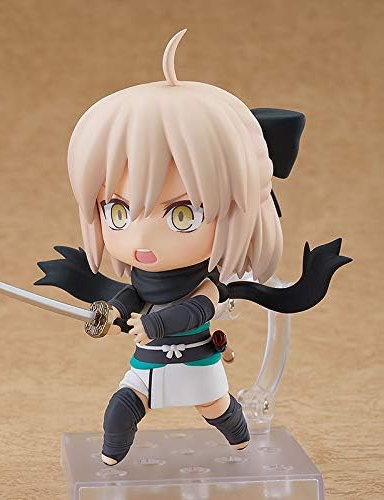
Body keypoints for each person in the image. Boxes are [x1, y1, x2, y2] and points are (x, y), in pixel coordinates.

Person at [35, 29, 351, 466]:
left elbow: (197, 309)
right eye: (118, 211)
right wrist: (112, 312)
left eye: (182, 215)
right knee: (121, 410)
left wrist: (155, 325)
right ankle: (111, 462)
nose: (142, 240)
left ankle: (240, 440)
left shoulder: (208, 284)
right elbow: (132, 295)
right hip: (149, 363)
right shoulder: (143, 278)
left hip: (198, 363)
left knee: (218, 410)